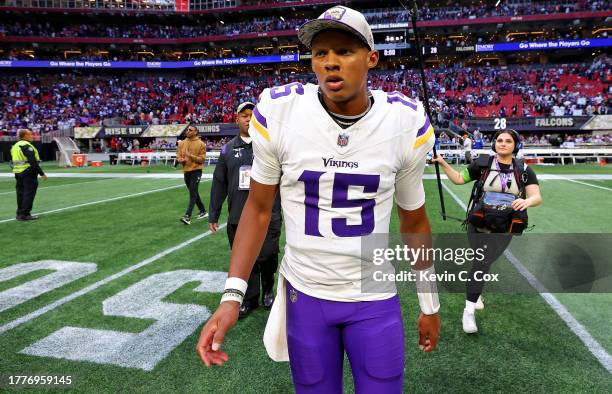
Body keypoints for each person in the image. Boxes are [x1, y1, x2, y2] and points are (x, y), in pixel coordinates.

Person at [196, 6, 440, 393]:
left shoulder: (402, 123)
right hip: (306, 295)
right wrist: (231, 295)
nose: (330, 63)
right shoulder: (281, 112)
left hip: (373, 296)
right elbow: (258, 210)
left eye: (344, 51)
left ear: (371, 59)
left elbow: (414, 222)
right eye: (320, 53)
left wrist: (430, 303)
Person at [432, 129, 542, 334]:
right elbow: (458, 178)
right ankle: (469, 311)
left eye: (508, 141)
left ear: (515, 145)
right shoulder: (481, 164)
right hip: (479, 221)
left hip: (506, 225)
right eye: (499, 140)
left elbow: (536, 197)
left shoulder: (524, 169)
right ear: (494, 144)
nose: (503, 143)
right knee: (481, 261)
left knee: (484, 262)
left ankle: (474, 295)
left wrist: (526, 201)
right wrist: (443, 163)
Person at [208, 102, 282, 318]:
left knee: (267, 255)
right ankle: (249, 298)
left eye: (252, 115)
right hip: (238, 215)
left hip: (269, 213)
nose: (248, 119)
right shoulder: (227, 149)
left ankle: (268, 289)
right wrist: (214, 213)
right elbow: (219, 182)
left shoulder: (270, 146)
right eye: (244, 115)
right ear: (237, 119)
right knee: (244, 259)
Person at [10, 129, 47, 221]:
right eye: (30, 134)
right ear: (25, 135)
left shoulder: (15, 146)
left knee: (20, 193)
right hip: (28, 172)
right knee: (29, 193)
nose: (32, 136)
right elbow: (32, 161)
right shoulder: (26, 146)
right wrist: (41, 173)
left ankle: (19, 213)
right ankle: (25, 214)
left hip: (18, 172)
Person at [177, 125, 208, 225]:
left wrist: (190, 156)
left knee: (193, 193)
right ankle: (203, 211)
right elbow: (178, 156)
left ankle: (187, 216)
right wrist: (180, 160)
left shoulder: (201, 144)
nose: (188, 131)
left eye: (190, 130)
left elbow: (202, 159)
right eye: (187, 129)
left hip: (196, 170)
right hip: (186, 170)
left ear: (195, 132)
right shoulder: (182, 143)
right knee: (193, 192)